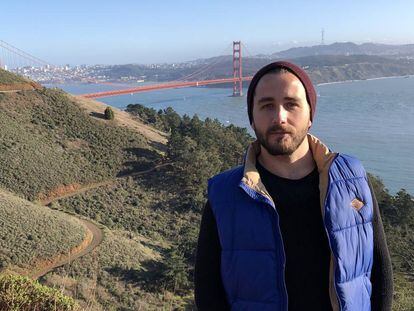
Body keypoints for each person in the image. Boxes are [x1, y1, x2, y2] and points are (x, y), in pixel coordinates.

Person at [194, 61, 393, 311]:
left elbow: (380, 271)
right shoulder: (224, 195)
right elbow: (208, 292)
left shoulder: (352, 178)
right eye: (266, 106)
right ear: (251, 118)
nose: (280, 117)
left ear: (310, 114)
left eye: (291, 104)